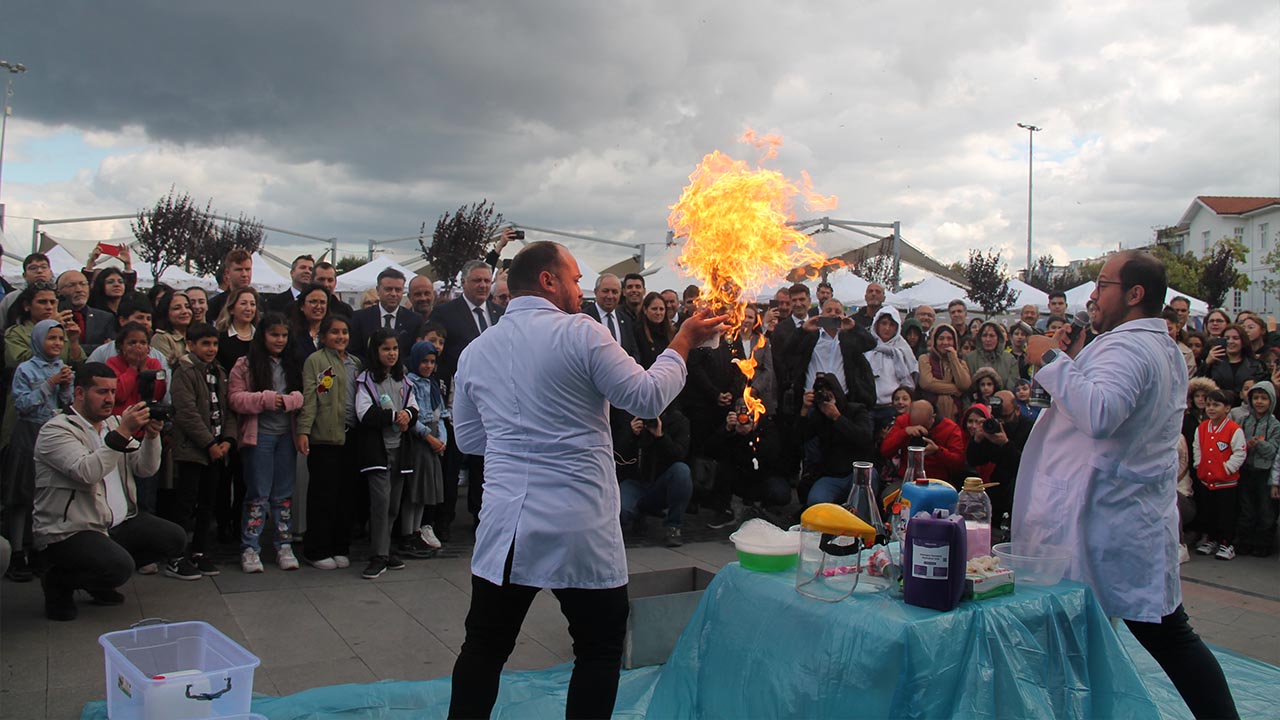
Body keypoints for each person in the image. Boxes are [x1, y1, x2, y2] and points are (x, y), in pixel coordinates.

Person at [447, 241, 727, 719]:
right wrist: (682, 342)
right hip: (578, 521)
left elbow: (471, 440)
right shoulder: (581, 333)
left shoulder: (477, 351)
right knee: (597, 650)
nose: (581, 289)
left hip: (508, 523)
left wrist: (522, 443)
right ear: (547, 281)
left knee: (484, 648)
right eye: (575, 279)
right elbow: (645, 396)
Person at [1017, 250, 1238, 719]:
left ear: (1135, 294)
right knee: (1155, 636)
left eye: (1102, 285)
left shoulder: (1128, 347)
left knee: (1164, 637)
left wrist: (1051, 360)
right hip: (1126, 515)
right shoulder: (1155, 346)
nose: (1093, 295)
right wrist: (1074, 361)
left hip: (1109, 522)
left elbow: (1101, 413)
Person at [33, 364, 201, 621]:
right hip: (70, 530)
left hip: (114, 521)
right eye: (101, 392)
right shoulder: (56, 430)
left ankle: (97, 578)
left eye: (112, 391)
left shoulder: (111, 422)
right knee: (119, 567)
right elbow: (87, 472)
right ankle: (58, 581)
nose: (109, 398)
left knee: (175, 539)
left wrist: (151, 436)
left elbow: (145, 469)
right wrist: (123, 431)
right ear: (79, 393)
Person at [228, 313, 304, 573]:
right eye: (274, 334)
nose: (280, 340)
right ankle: (250, 547)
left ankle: (283, 543)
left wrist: (292, 400)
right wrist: (267, 399)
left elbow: (307, 395)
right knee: (257, 494)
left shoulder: (294, 363)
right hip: (258, 436)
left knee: (283, 495)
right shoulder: (245, 364)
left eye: (284, 335)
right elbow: (235, 399)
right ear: (263, 335)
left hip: (287, 437)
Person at [2, 320, 74, 583]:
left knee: (45, 495)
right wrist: (50, 384)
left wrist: (65, 387)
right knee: (21, 494)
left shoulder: (62, 368)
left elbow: (68, 404)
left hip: (53, 434)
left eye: (60, 339)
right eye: (51, 338)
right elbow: (23, 404)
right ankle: (17, 552)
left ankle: (39, 549)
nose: (56, 343)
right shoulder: (26, 369)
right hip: (28, 434)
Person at [169, 323, 238, 576]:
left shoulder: (218, 371)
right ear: (191, 345)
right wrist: (209, 443)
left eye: (214, 344)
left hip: (218, 448)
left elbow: (228, 408)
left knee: (208, 503)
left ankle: (199, 551)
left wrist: (228, 439)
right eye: (205, 344)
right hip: (193, 450)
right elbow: (186, 413)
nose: (211, 349)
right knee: (186, 504)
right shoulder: (184, 372)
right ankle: (176, 555)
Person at [296, 314, 362, 570]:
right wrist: (304, 430)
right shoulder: (316, 361)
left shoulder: (355, 363)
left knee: (346, 495)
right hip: (324, 437)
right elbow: (311, 396)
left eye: (344, 332)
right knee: (323, 495)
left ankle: (340, 545)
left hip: (351, 436)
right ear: (322, 336)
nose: (340, 337)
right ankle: (316, 549)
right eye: (334, 332)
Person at [353, 328, 419, 579]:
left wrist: (408, 415)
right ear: (376, 351)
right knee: (380, 502)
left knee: (393, 504)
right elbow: (364, 413)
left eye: (394, 349)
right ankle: (377, 554)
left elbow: (414, 407)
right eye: (385, 349)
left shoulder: (404, 379)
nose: (391, 354)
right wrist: (394, 416)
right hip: (378, 451)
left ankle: (385, 547)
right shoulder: (367, 380)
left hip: (400, 449)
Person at [614, 403, 693, 547]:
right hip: (635, 481)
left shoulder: (679, 421)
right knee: (619, 513)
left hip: (661, 483)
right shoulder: (630, 418)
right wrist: (631, 434)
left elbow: (679, 455)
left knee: (682, 471)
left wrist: (661, 437)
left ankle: (674, 526)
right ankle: (638, 516)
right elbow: (617, 455)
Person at [800, 373, 876, 507]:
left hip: (858, 473)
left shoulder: (857, 410)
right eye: (820, 393)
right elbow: (798, 440)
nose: (825, 397)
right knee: (817, 503)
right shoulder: (818, 416)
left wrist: (837, 417)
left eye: (828, 392)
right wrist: (804, 411)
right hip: (831, 476)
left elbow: (864, 437)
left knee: (863, 501)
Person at [964, 390, 1029, 539]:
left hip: (1019, 491)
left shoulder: (1028, 429)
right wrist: (977, 440)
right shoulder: (991, 426)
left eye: (1005, 417)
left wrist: (1005, 444)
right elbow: (973, 460)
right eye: (997, 417)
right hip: (996, 492)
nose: (1002, 422)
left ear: (1017, 410)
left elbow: (1023, 467)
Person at [404, 341, 447, 554]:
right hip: (419, 441)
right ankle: (408, 533)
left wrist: (442, 440)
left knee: (425, 491)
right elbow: (413, 417)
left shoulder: (432, 385)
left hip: (433, 440)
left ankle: (418, 530)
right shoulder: (410, 383)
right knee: (414, 490)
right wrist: (430, 438)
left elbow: (441, 415)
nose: (428, 366)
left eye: (432, 362)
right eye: (424, 361)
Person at [1227, 381, 1279, 557]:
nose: (1259, 402)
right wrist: (1246, 446)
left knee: (1266, 511)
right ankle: (1244, 541)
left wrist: (1260, 445)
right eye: (1256, 398)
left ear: (1271, 401)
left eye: (1264, 398)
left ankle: (1263, 544)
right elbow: (1236, 444)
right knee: (1247, 509)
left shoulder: (1275, 425)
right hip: (1246, 470)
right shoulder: (1244, 420)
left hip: (1264, 472)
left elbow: (1273, 451)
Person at [1193, 389, 1246, 561]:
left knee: (1226, 515)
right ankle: (1211, 539)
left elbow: (1239, 453)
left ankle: (1227, 543)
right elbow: (1197, 448)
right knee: (1209, 512)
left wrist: (1227, 469)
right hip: (1206, 480)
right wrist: (1198, 465)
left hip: (1226, 483)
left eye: (1216, 405)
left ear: (1228, 408)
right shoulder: (1201, 428)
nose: (1211, 408)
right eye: (1208, 405)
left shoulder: (1234, 429)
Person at [880, 400, 967, 487]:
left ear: (933, 418)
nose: (920, 429)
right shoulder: (903, 421)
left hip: (937, 482)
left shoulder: (950, 428)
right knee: (888, 497)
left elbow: (958, 464)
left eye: (924, 425)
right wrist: (905, 432)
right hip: (907, 479)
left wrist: (937, 451)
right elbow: (885, 451)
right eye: (916, 424)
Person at [349, 268, 424, 365]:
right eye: (388, 289)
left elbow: (414, 354)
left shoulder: (415, 320)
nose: (393, 294)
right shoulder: (360, 318)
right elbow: (354, 352)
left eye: (398, 290)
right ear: (378, 290)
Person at [865, 307, 916, 432]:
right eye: (884, 323)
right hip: (868, 406)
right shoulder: (866, 345)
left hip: (891, 407)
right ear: (876, 324)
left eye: (892, 325)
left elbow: (910, 377)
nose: (887, 328)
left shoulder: (903, 349)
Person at [916, 322, 971, 422]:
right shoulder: (925, 359)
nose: (945, 342)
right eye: (941, 339)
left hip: (956, 414)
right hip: (931, 413)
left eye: (949, 339)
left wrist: (953, 359)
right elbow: (927, 383)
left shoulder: (961, 362)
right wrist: (955, 389)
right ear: (935, 341)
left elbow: (964, 384)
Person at [56, 270, 113, 354]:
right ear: (58, 291)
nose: (79, 289)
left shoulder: (105, 318)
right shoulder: (55, 318)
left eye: (83, 284)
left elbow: (110, 348)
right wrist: (98, 347)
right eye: (71, 285)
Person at [584, 273, 639, 359]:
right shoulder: (584, 318)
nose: (610, 296)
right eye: (605, 291)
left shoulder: (626, 320)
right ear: (596, 292)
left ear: (620, 294)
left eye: (614, 292)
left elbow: (633, 352)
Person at [1200, 323, 1264, 396]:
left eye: (1235, 338)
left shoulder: (1255, 365)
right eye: (1227, 338)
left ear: (1243, 342)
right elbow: (1199, 383)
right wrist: (1206, 363)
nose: (1230, 341)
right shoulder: (1214, 363)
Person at [0, 254, 55, 332]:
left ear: (51, 273)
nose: (39, 271)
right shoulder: (11, 298)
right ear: (24, 275)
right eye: (33, 268)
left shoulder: (59, 296)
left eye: (44, 267)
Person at [215, 286, 261, 373]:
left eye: (252, 304)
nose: (249, 308)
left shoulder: (261, 336)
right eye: (243, 303)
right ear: (231, 309)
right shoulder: (220, 337)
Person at [964, 321, 1018, 391]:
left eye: (992, 336)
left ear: (999, 338)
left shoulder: (1010, 359)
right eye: (984, 335)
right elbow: (966, 388)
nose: (988, 339)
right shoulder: (969, 358)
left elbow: (1012, 387)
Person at [206, 249, 254, 322]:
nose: (244, 274)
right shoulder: (214, 305)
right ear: (227, 273)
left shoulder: (259, 303)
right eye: (239, 270)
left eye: (247, 269)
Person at [633, 291, 675, 370]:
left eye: (661, 309)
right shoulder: (637, 332)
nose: (658, 313)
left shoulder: (671, 332)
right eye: (654, 309)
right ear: (645, 310)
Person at [289, 284, 331, 364]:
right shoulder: (291, 333)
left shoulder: (331, 333)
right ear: (302, 306)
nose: (318, 306)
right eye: (313, 301)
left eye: (322, 302)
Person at [150, 290, 192, 367]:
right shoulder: (161, 338)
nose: (185, 311)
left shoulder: (195, 335)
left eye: (187, 307)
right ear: (166, 312)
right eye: (177, 308)